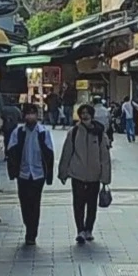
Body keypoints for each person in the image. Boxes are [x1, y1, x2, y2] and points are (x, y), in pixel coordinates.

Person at [59, 102, 112, 245]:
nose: (85, 116)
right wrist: (63, 172)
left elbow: (105, 156)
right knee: (78, 203)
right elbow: (66, 153)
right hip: (78, 174)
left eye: (87, 113)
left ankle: (89, 229)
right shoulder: (74, 132)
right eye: (82, 113)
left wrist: (105, 177)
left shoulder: (100, 133)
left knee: (92, 204)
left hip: (94, 175)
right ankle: (80, 230)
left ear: (92, 115)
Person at [6, 103, 54, 246]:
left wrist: (49, 175)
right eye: (28, 114)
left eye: (33, 113)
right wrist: (12, 171)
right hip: (23, 173)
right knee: (24, 202)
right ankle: (28, 225)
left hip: (38, 174)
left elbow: (50, 154)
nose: (30, 116)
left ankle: (32, 233)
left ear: (37, 116)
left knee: (35, 202)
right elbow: (11, 152)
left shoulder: (43, 133)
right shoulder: (18, 132)